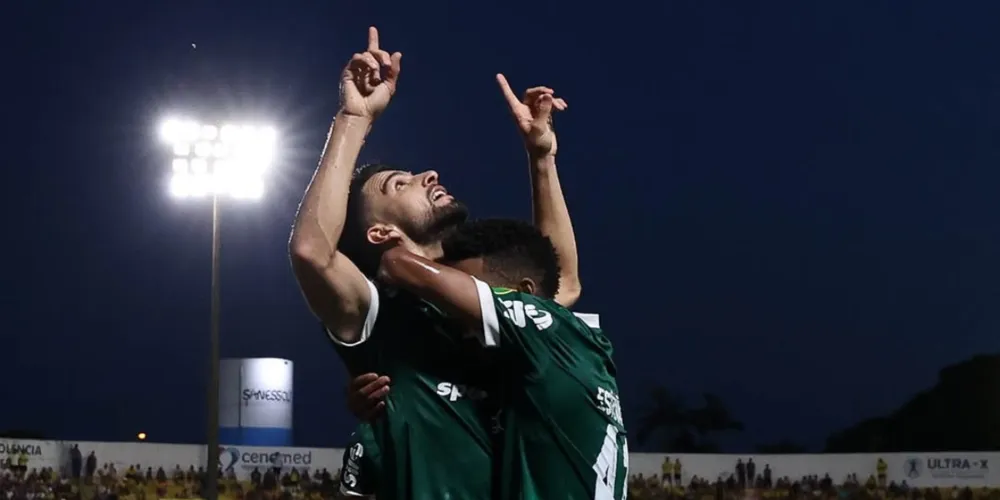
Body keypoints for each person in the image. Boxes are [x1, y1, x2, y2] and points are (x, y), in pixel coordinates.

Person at [289, 27, 581, 499]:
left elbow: (559, 283)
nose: (428, 174)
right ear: (381, 233)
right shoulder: (377, 311)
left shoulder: (479, 295)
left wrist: (542, 158)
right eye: (399, 185)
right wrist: (353, 118)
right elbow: (312, 252)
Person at [377, 218, 628, 500]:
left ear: (523, 297)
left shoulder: (543, 330)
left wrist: (422, 251)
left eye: (468, 293)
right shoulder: (566, 350)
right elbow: (564, 280)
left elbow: (396, 263)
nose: (456, 319)